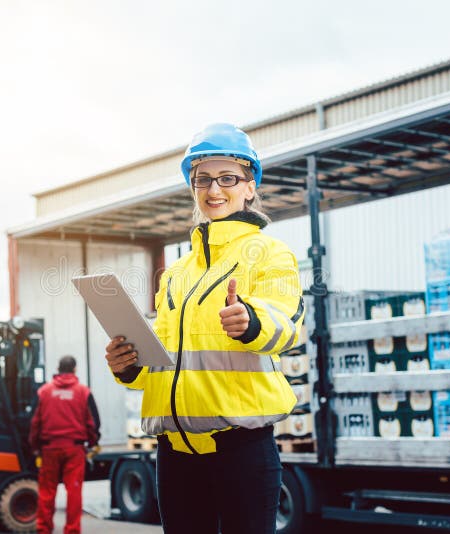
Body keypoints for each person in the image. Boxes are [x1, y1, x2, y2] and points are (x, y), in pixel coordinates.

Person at [105, 123, 304, 534]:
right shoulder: (175, 273)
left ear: (250, 186)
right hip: (175, 457)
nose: (214, 190)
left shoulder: (271, 254)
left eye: (227, 178)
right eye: (203, 179)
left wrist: (251, 321)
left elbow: (285, 325)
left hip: (242, 452)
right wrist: (129, 366)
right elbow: (166, 364)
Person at [29, 355, 101, 534]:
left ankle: (44, 530)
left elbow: (34, 422)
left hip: (49, 448)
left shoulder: (44, 392)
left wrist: (35, 446)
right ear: (74, 369)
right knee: (74, 491)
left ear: (58, 369)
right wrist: (92, 442)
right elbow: (93, 423)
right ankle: (72, 530)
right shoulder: (83, 392)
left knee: (46, 492)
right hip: (74, 449)